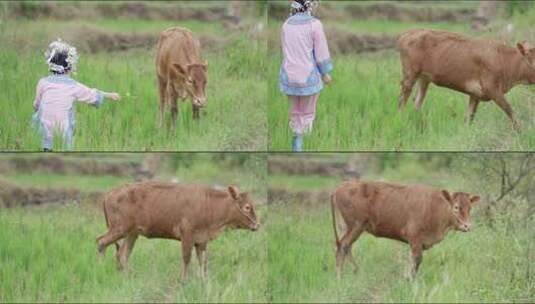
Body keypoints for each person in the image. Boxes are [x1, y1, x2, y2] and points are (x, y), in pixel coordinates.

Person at [32, 39, 121, 151]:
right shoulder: (73, 86)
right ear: (70, 67)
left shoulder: (43, 82)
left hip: (43, 132)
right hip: (63, 134)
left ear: (51, 65)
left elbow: (36, 105)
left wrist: (38, 110)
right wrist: (110, 95)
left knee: (39, 119)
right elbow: (92, 95)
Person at [279, 0, 333, 152]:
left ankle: (295, 140)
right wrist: (325, 72)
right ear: (309, 5)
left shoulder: (286, 24)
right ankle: (302, 145)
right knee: (308, 112)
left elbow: (286, 51)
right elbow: (321, 51)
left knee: (294, 112)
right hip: (308, 76)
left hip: (289, 76)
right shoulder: (315, 24)